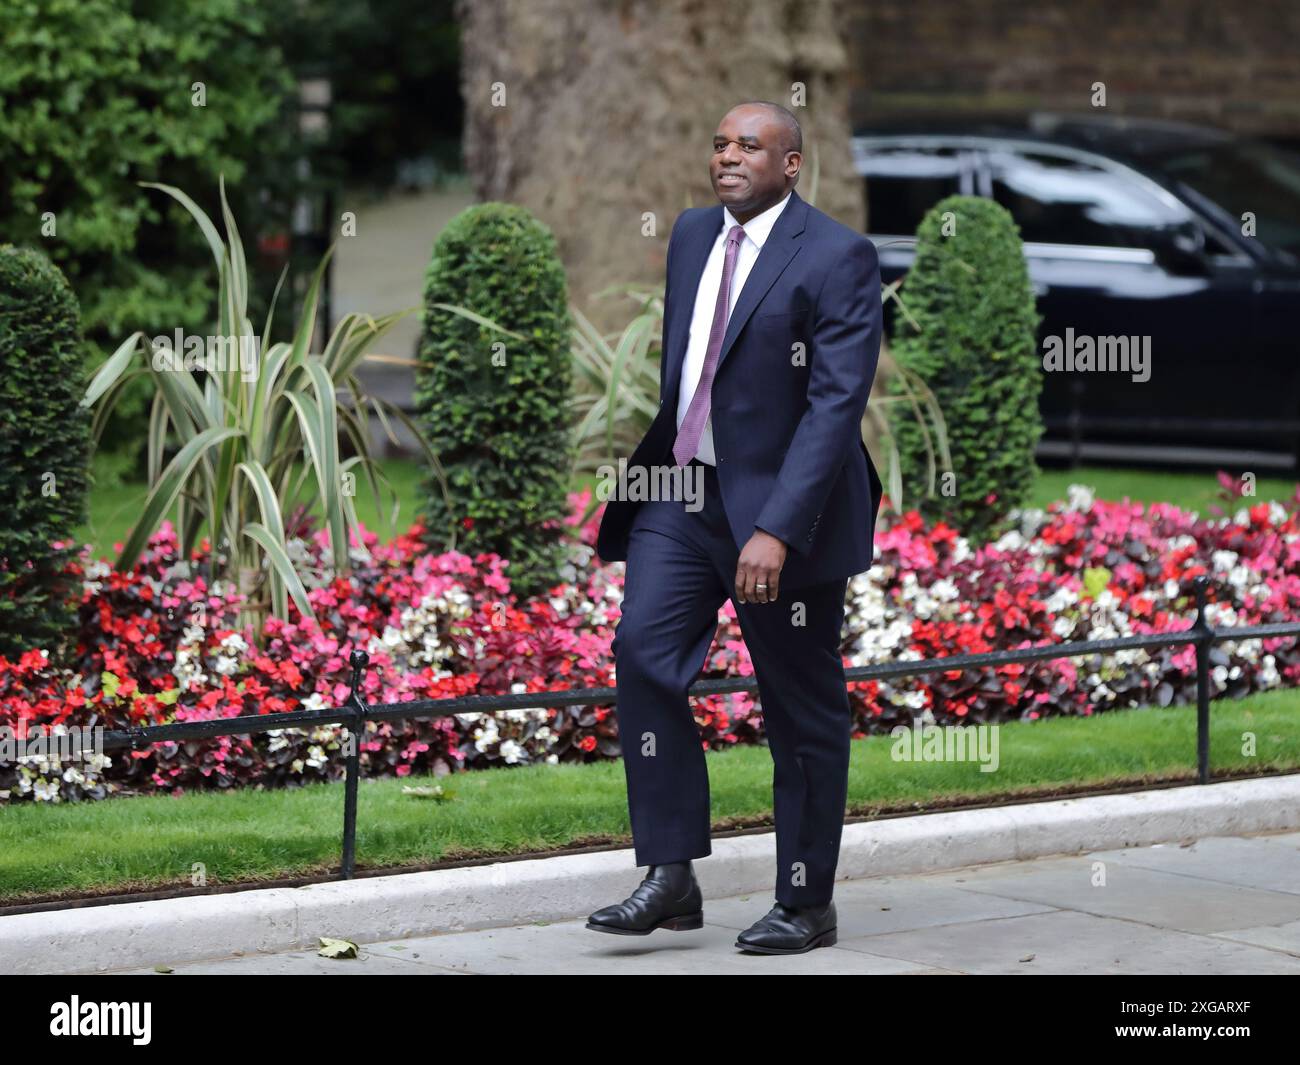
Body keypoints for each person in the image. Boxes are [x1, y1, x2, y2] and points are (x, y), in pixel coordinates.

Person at [587, 100, 884, 955]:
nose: (728, 157)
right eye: (720, 144)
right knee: (644, 653)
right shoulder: (689, 235)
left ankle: (805, 902)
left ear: (791, 165)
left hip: (786, 518)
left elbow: (834, 407)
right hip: (683, 496)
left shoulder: (837, 256)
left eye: (749, 146)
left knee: (800, 709)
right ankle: (671, 873)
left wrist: (779, 528)